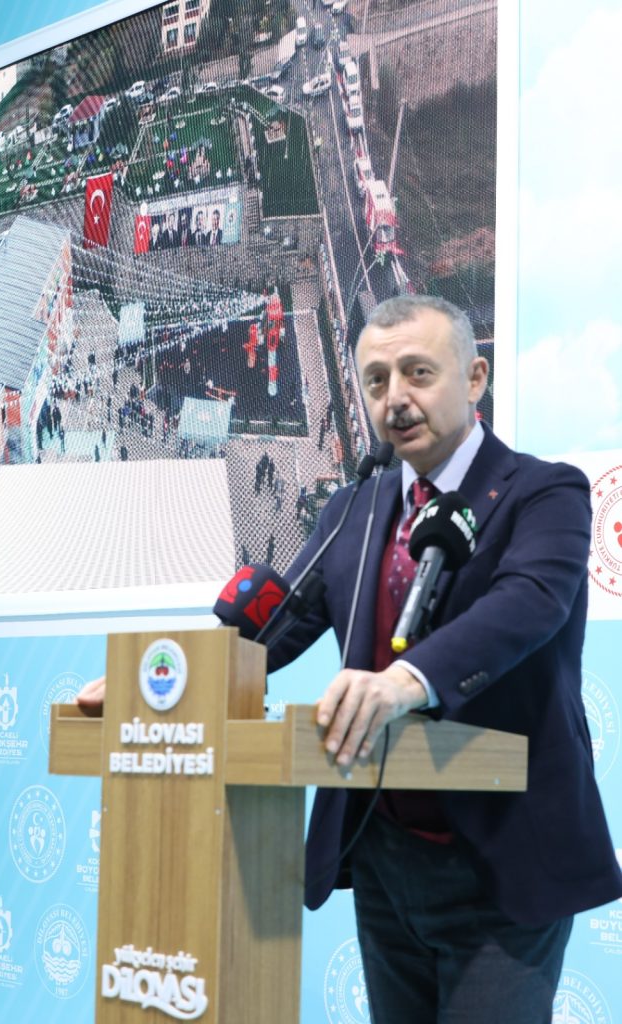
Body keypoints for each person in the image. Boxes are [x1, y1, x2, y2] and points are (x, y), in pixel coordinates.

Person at [264, 295, 622, 1023]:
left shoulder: (543, 491)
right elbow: (280, 622)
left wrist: (406, 680)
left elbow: (528, 602)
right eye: (376, 380)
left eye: (418, 372)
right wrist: (164, 676)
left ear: (475, 377)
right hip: (383, 853)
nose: (395, 397)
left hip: (504, 854)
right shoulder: (353, 508)